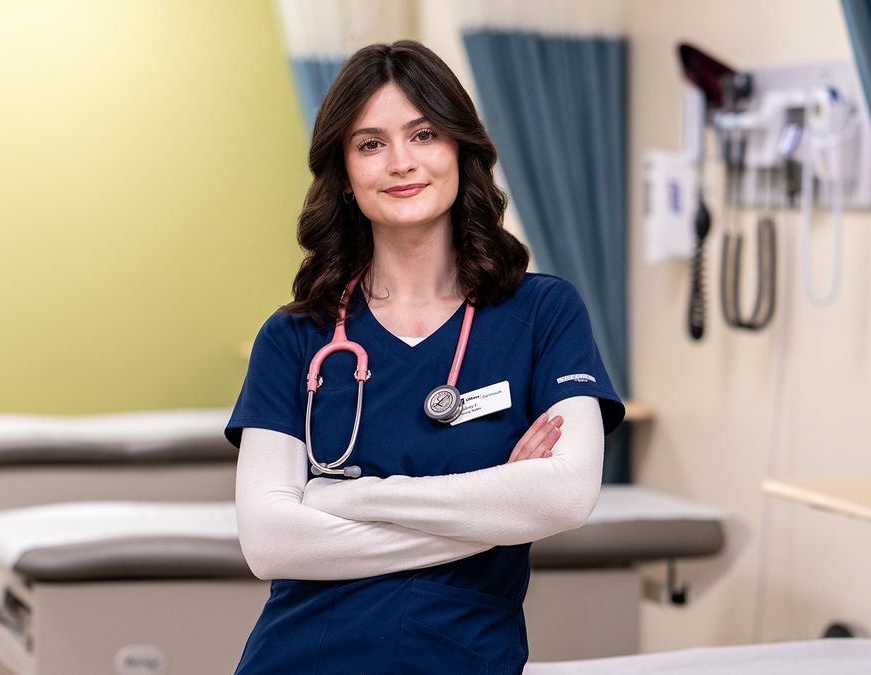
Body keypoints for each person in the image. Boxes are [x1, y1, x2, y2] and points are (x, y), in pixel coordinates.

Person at [225, 40, 625, 674]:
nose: (401, 163)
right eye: (371, 143)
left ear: (461, 150)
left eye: (424, 133)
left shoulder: (542, 313)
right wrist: (497, 509)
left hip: (457, 656)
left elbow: (565, 497)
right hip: (300, 655)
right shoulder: (295, 338)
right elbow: (271, 544)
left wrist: (342, 502)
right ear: (345, 172)